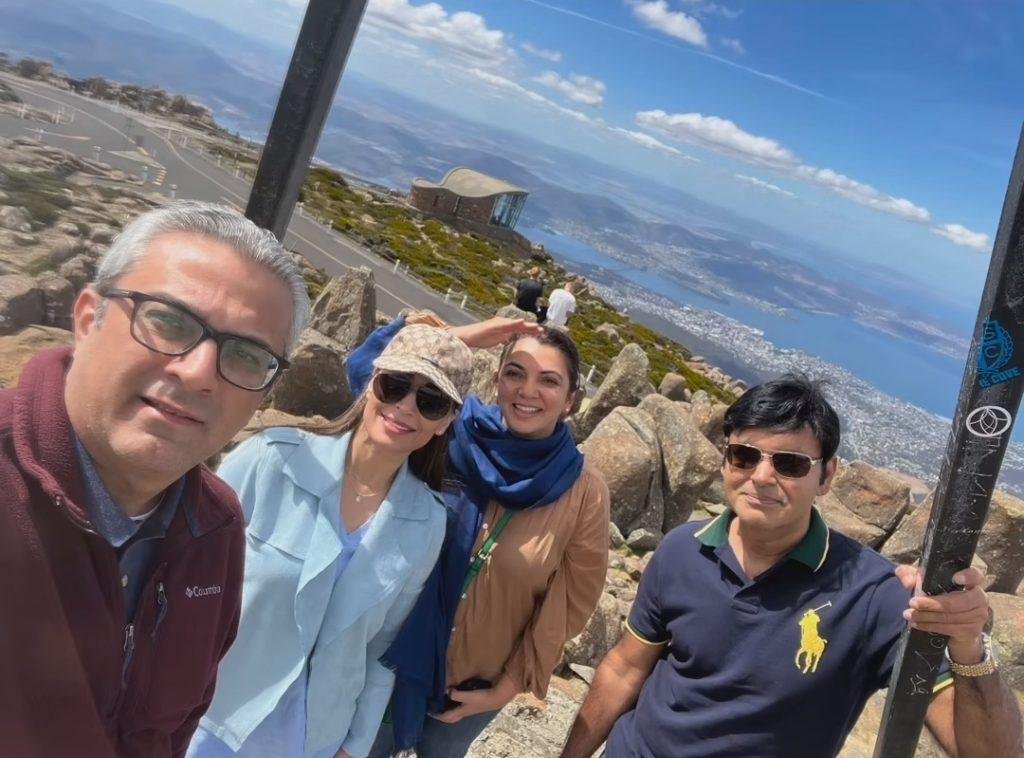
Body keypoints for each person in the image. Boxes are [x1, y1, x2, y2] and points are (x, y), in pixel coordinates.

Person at [560, 374, 1024, 758]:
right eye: (744, 456)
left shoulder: (874, 595)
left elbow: (991, 753)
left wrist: (968, 645)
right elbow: (625, 668)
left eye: (790, 464)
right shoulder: (682, 549)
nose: (762, 477)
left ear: (827, 476)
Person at [0, 201, 311, 757]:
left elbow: (175, 725)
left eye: (247, 354)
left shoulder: (215, 527)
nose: (197, 373)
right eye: (168, 321)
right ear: (88, 318)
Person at [187, 324, 472, 758]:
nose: (405, 406)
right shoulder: (271, 459)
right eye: (395, 384)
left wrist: (355, 746)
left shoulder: (429, 522)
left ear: (445, 422)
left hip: (315, 741)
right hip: (209, 715)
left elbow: (381, 650)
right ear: (371, 383)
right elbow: (185, 577)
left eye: (430, 401)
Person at [357, 315, 611, 758]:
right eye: (515, 373)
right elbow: (369, 378)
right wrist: (459, 338)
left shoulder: (585, 491)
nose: (527, 391)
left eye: (548, 381)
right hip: (386, 655)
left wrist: (506, 688)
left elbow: (571, 601)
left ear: (571, 400)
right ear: (496, 379)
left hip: (474, 685)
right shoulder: (448, 428)